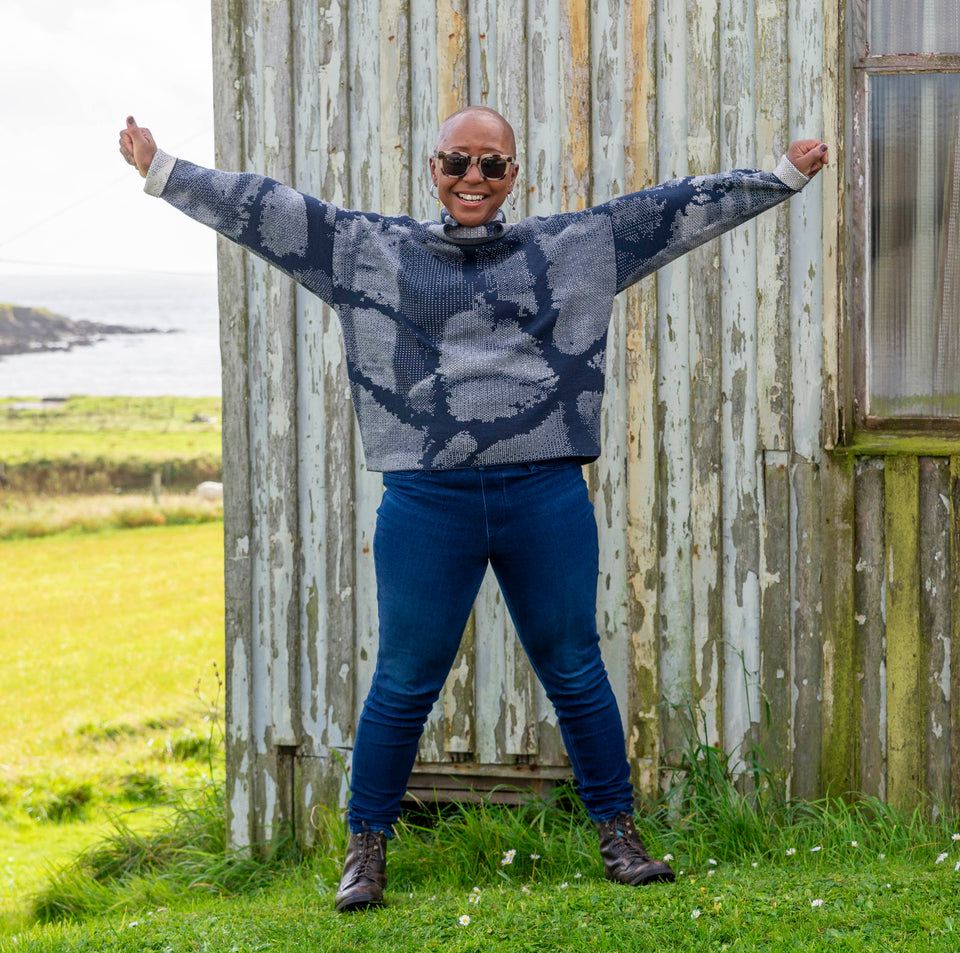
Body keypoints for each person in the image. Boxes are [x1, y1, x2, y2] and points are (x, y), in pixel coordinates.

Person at [120, 107, 828, 911]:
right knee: (404, 680)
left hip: (543, 494)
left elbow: (673, 212)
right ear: (434, 168)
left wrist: (781, 176)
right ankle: (365, 853)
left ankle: (620, 837)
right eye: (458, 162)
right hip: (427, 501)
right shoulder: (371, 252)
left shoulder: (573, 249)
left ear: (513, 176)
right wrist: (167, 171)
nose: (473, 180)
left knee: (574, 667)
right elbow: (272, 210)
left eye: (492, 166)